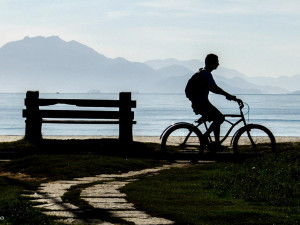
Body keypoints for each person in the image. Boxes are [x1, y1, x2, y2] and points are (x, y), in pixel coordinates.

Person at [188, 53, 242, 151]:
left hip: (200, 103)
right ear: (211, 63)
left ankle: (216, 143)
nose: (218, 64)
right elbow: (214, 88)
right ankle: (205, 137)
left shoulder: (204, 73)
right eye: (216, 62)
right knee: (220, 118)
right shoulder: (206, 74)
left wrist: (227, 96)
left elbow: (213, 89)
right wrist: (229, 96)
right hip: (201, 104)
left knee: (218, 118)